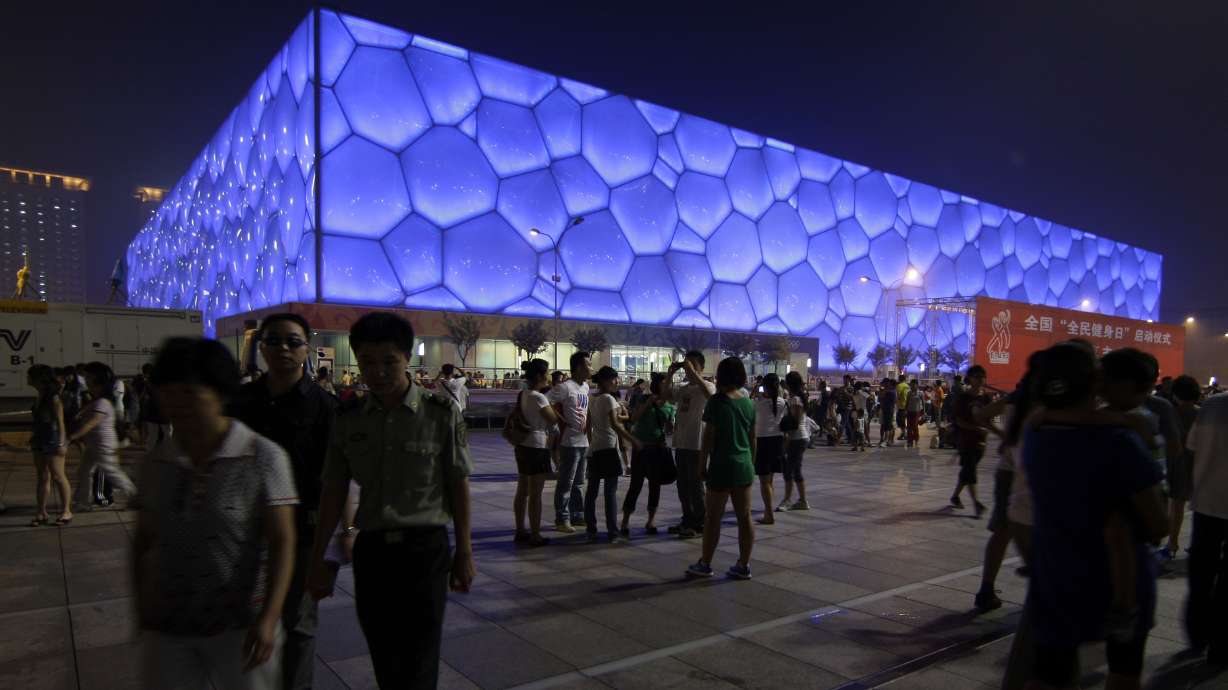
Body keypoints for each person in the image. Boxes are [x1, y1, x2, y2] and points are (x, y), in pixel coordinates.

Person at [306, 312, 474, 689]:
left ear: (407, 358)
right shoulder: (348, 419)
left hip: (424, 550)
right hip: (373, 553)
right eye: (367, 362)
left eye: (388, 362)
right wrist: (320, 559)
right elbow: (334, 489)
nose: (377, 371)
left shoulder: (440, 414)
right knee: (383, 655)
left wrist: (464, 551)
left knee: (419, 657)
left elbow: (457, 482)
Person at [133, 337, 298, 690]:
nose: (177, 405)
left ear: (220, 394)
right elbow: (143, 538)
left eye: (190, 393)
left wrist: (269, 617)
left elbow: (282, 541)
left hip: (241, 625)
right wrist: (140, 604)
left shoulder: (262, 456)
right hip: (169, 623)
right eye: (168, 392)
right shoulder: (157, 462)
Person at [1023, 343, 1168, 690]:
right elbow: (1158, 525)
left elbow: (1047, 415)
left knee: (1051, 672)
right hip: (1119, 582)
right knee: (1123, 670)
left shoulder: (1036, 433)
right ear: (1092, 383)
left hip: (1055, 572)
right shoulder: (1119, 442)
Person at [230, 313, 338, 690]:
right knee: (242, 622)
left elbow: (336, 483)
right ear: (261, 348)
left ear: (307, 349)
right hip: (244, 532)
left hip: (304, 534)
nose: (284, 349)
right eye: (274, 341)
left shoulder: (325, 407)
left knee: (299, 625)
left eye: (294, 342)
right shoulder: (240, 403)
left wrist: (333, 548)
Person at [685, 356, 756, 579]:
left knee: (713, 518)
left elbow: (708, 437)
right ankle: (743, 565)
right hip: (743, 465)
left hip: (722, 464)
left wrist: (701, 464)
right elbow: (753, 439)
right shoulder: (748, 403)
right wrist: (751, 463)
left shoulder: (716, 402)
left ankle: (705, 563)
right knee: (744, 517)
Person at [1184, 388, 1228, 665]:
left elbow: (1192, 448)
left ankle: (1197, 634)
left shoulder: (1211, 405)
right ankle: (1221, 644)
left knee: (1200, 571)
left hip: (1205, 502)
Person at [69, 362, 137, 509]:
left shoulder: (103, 401)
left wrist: (73, 436)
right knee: (84, 470)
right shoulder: (98, 399)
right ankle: (82, 502)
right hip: (94, 444)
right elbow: (89, 411)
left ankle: (136, 497)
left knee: (112, 472)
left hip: (103, 444)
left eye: (87, 376)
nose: (84, 379)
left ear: (96, 378)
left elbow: (92, 423)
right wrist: (81, 413)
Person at [662, 352, 714, 539]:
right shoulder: (683, 388)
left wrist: (695, 374)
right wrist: (669, 374)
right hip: (681, 442)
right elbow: (665, 396)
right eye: (686, 364)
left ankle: (700, 522)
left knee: (695, 485)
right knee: (683, 485)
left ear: (700, 366)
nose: (687, 368)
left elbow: (711, 397)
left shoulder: (707, 385)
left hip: (697, 444)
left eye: (691, 364)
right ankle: (687, 519)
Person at [587, 366, 638, 543]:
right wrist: (633, 440)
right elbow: (616, 424)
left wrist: (591, 441)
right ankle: (612, 532)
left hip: (594, 449)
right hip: (608, 449)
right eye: (614, 378)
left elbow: (587, 425)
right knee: (610, 492)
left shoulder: (591, 398)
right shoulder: (608, 399)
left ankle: (591, 529)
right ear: (605, 381)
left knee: (592, 492)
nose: (617, 382)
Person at [621, 372, 674, 536]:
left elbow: (669, 429)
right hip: (641, 448)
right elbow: (633, 419)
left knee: (655, 486)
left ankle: (651, 520)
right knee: (635, 485)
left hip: (657, 448)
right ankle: (625, 520)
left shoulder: (670, 406)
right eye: (666, 385)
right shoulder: (643, 400)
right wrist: (648, 403)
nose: (669, 388)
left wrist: (670, 424)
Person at [512, 359, 559, 546]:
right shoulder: (539, 398)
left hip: (522, 445)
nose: (548, 377)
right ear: (540, 376)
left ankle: (520, 529)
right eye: (546, 373)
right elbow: (553, 418)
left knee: (522, 490)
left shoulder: (523, 394)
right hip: (537, 446)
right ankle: (536, 534)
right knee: (536, 493)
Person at [549, 352, 592, 533]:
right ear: (579, 367)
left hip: (583, 442)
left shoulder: (585, 387)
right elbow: (546, 401)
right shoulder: (565, 387)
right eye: (589, 364)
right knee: (566, 482)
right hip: (569, 442)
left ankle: (577, 514)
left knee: (579, 482)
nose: (591, 368)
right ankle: (562, 518)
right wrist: (560, 419)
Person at [27, 365, 72, 526]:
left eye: (29, 375)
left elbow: (60, 422)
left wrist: (62, 442)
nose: (27, 378)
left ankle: (66, 511)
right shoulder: (40, 395)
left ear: (39, 378)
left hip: (52, 438)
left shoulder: (54, 397)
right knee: (42, 476)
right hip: (39, 439)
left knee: (58, 476)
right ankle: (41, 512)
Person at [1163, 375, 1200, 559]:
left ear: (1175, 394)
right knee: (1198, 509)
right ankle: (1196, 545)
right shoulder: (1202, 413)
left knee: (1176, 506)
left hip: (1177, 464)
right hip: (1199, 464)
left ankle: (1172, 543)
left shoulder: (1170, 412)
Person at [950, 367, 991, 515]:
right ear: (970, 378)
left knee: (967, 470)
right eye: (977, 376)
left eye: (983, 376)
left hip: (980, 441)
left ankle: (955, 496)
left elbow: (988, 419)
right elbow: (959, 420)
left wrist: (985, 435)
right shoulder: (964, 398)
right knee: (970, 470)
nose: (981, 379)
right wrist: (976, 429)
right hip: (965, 440)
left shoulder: (986, 398)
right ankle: (976, 504)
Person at [753, 373, 786, 522]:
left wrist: (756, 391)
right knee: (769, 480)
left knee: (764, 481)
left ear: (764, 386)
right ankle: (768, 510)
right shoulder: (782, 402)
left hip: (763, 442)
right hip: (777, 442)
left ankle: (769, 515)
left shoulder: (758, 403)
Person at [778, 371, 810, 511]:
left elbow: (794, 423)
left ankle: (787, 500)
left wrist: (787, 441)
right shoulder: (796, 398)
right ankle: (802, 501)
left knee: (789, 470)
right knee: (796, 470)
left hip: (796, 438)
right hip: (799, 437)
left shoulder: (795, 400)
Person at [878, 378, 897, 447]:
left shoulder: (891, 391)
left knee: (888, 426)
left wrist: (882, 390)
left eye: (886, 383)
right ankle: (887, 441)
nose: (885, 385)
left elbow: (881, 396)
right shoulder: (889, 391)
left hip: (889, 410)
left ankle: (887, 441)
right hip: (885, 410)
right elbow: (880, 398)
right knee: (886, 426)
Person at [905, 379, 923, 449]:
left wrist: (923, 411)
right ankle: (910, 441)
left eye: (913, 384)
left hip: (917, 411)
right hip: (909, 411)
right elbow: (907, 402)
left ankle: (916, 439)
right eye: (911, 385)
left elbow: (923, 402)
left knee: (915, 426)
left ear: (917, 385)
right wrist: (905, 410)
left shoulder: (920, 393)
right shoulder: (909, 393)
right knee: (909, 427)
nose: (912, 386)